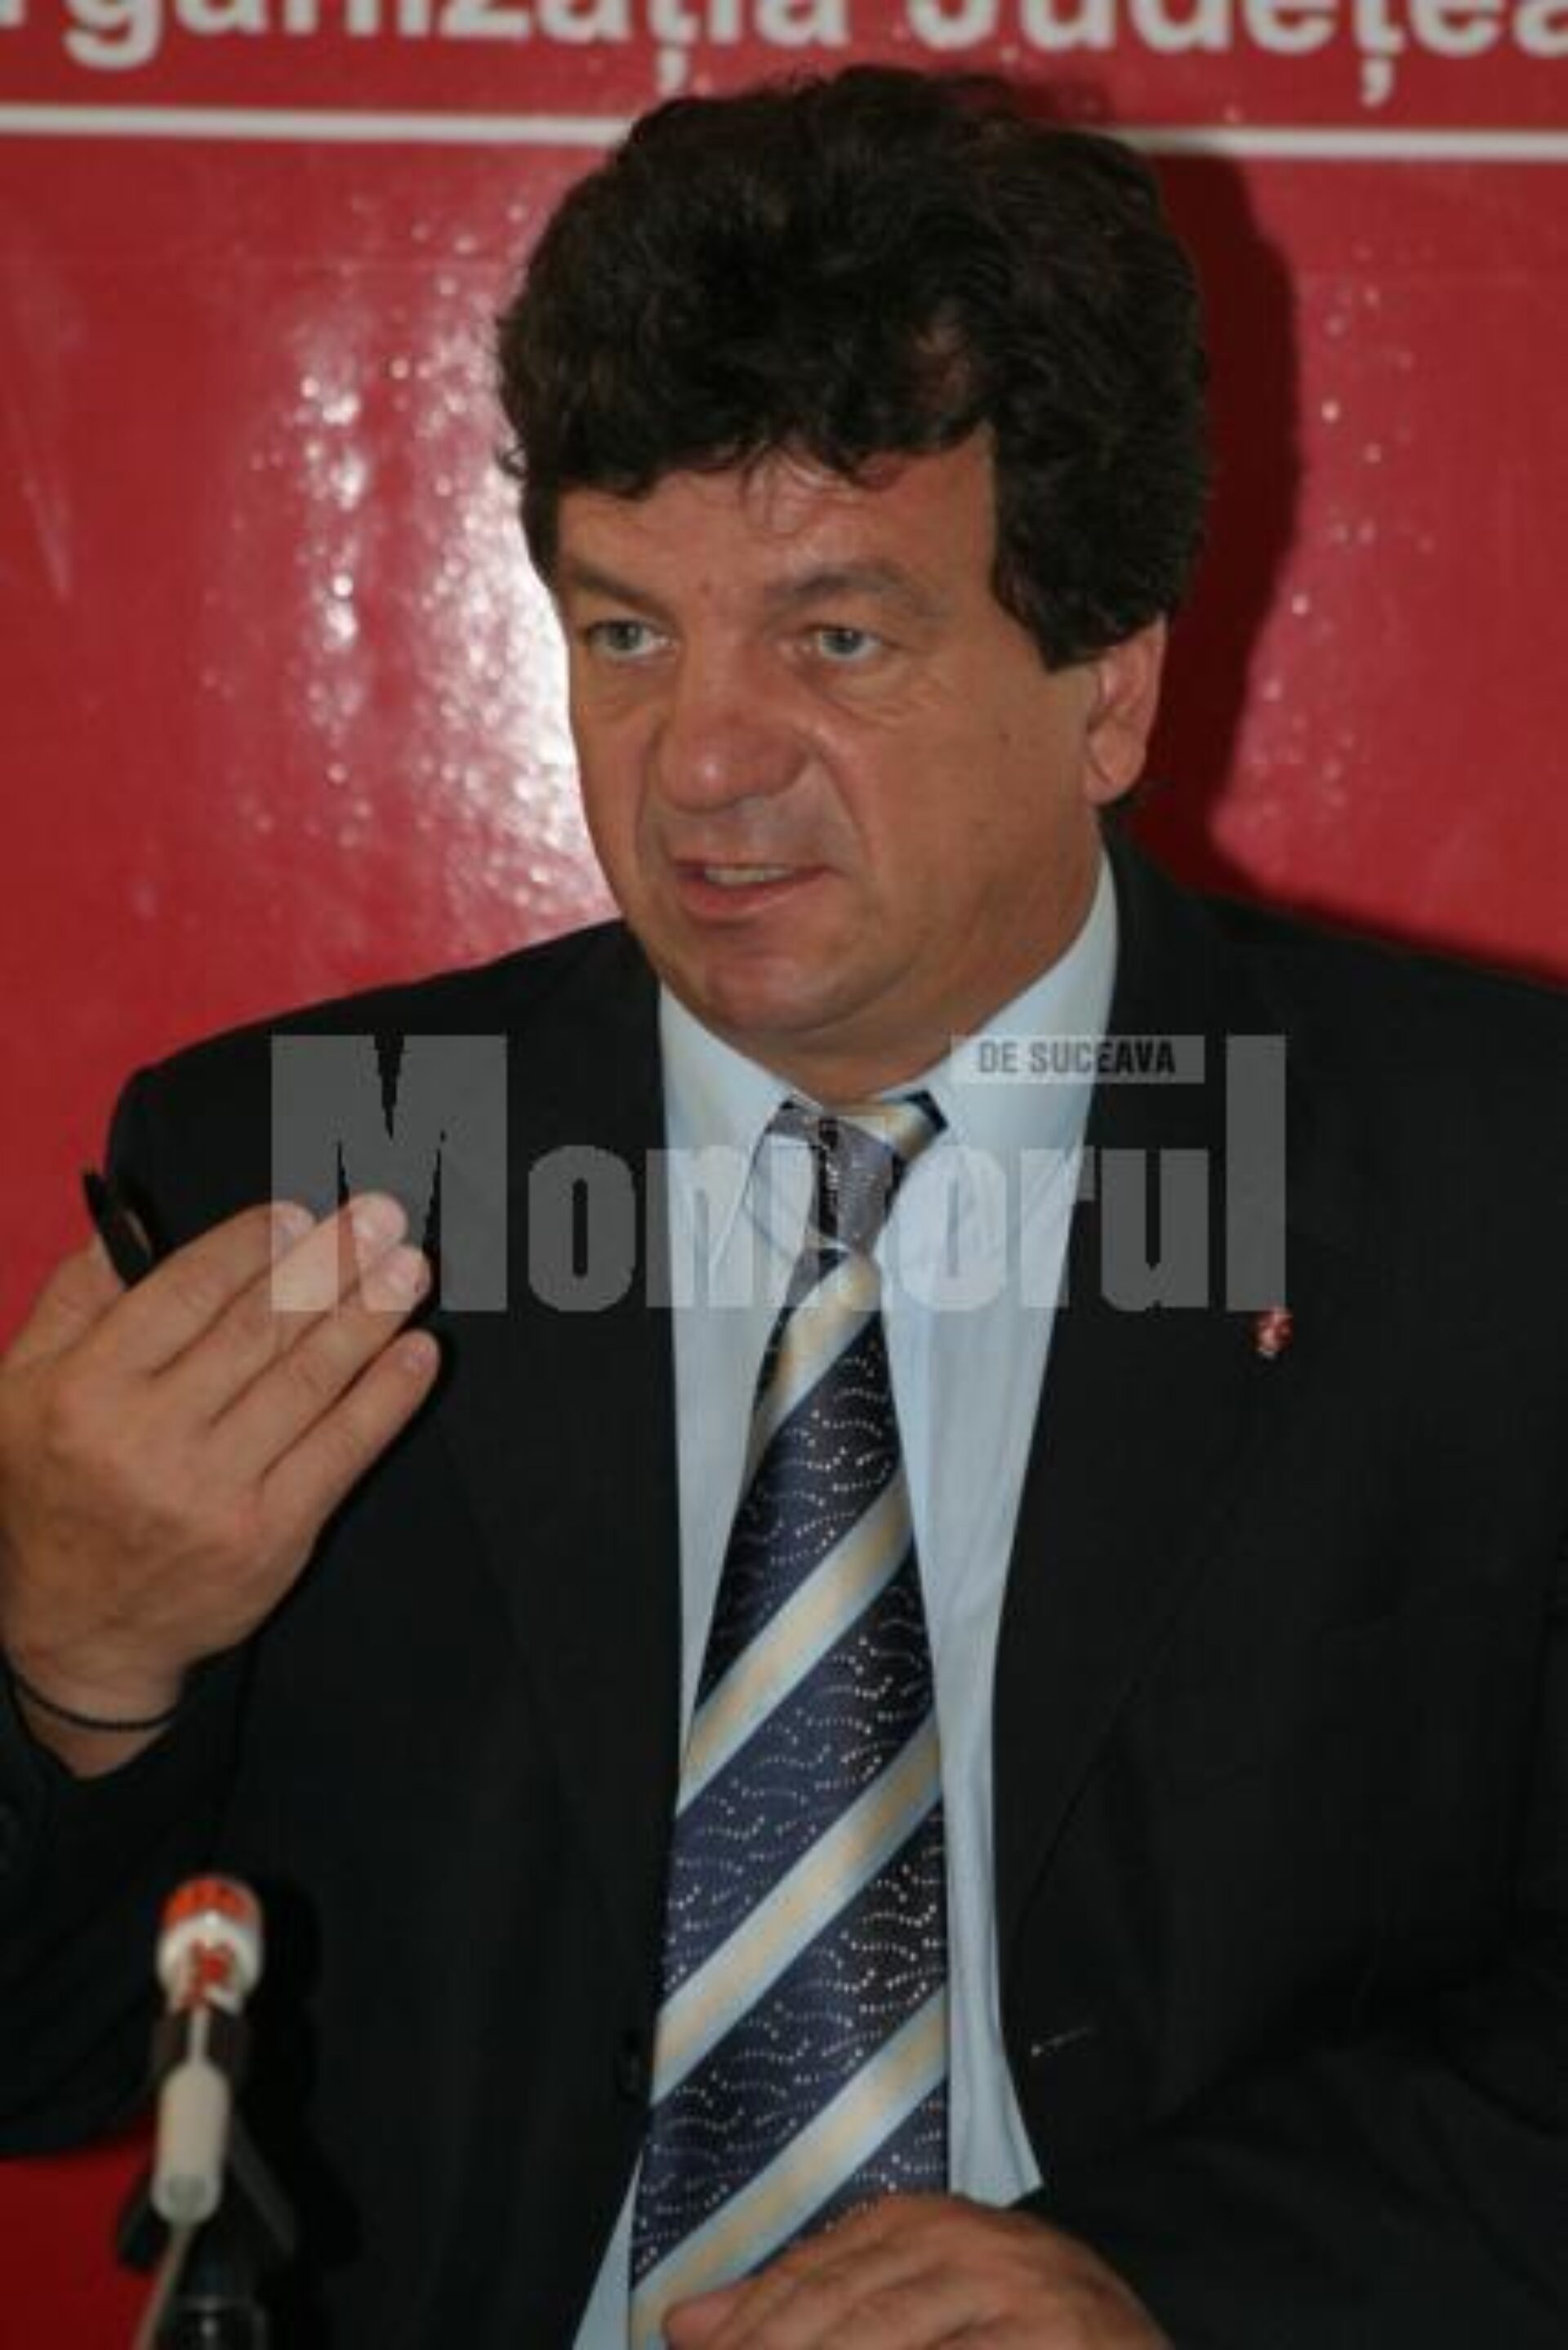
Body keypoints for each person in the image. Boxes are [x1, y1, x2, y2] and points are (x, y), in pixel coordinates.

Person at [1, 64, 1566, 2350]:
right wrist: (76, 1669)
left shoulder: (1494, 1188)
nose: (702, 765)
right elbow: (48, 2068)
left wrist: (1171, 2280)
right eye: (628, 634)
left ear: (1109, 684)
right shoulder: (319, 1170)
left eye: (837, 638)